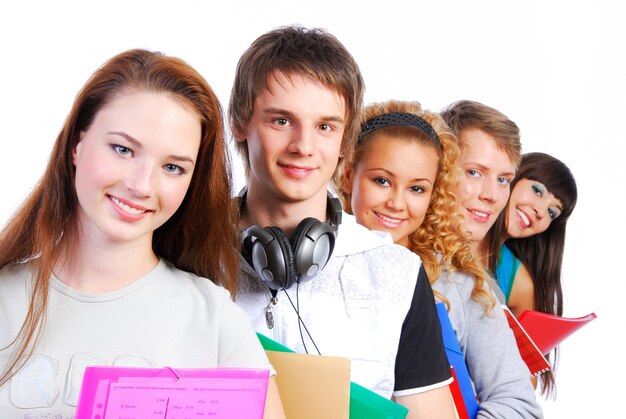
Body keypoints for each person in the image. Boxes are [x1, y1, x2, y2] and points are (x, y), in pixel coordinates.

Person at [0, 49, 284, 418]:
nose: (141, 185)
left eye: (172, 167)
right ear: (76, 144)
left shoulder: (212, 318)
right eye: (122, 149)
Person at [229, 26, 455, 418]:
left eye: (325, 127)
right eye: (281, 121)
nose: (303, 146)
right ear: (239, 122)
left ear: (344, 142)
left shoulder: (396, 273)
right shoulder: (185, 251)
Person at [338, 99, 543, 418]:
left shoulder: (463, 283)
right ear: (350, 176)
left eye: (503, 179)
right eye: (474, 172)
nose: (396, 201)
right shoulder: (311, 260)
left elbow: (516, 400)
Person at [485, 151, 578, 397]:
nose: (540, 211)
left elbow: (528, 378)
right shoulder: (448, 229)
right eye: (537, 190)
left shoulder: (520, 282)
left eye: (552, 212)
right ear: (512, 177)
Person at [440, 100, 521, 267]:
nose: (492, 195)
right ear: (440, 169)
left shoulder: (483, 288)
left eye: (503, 180)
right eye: (474, 173)